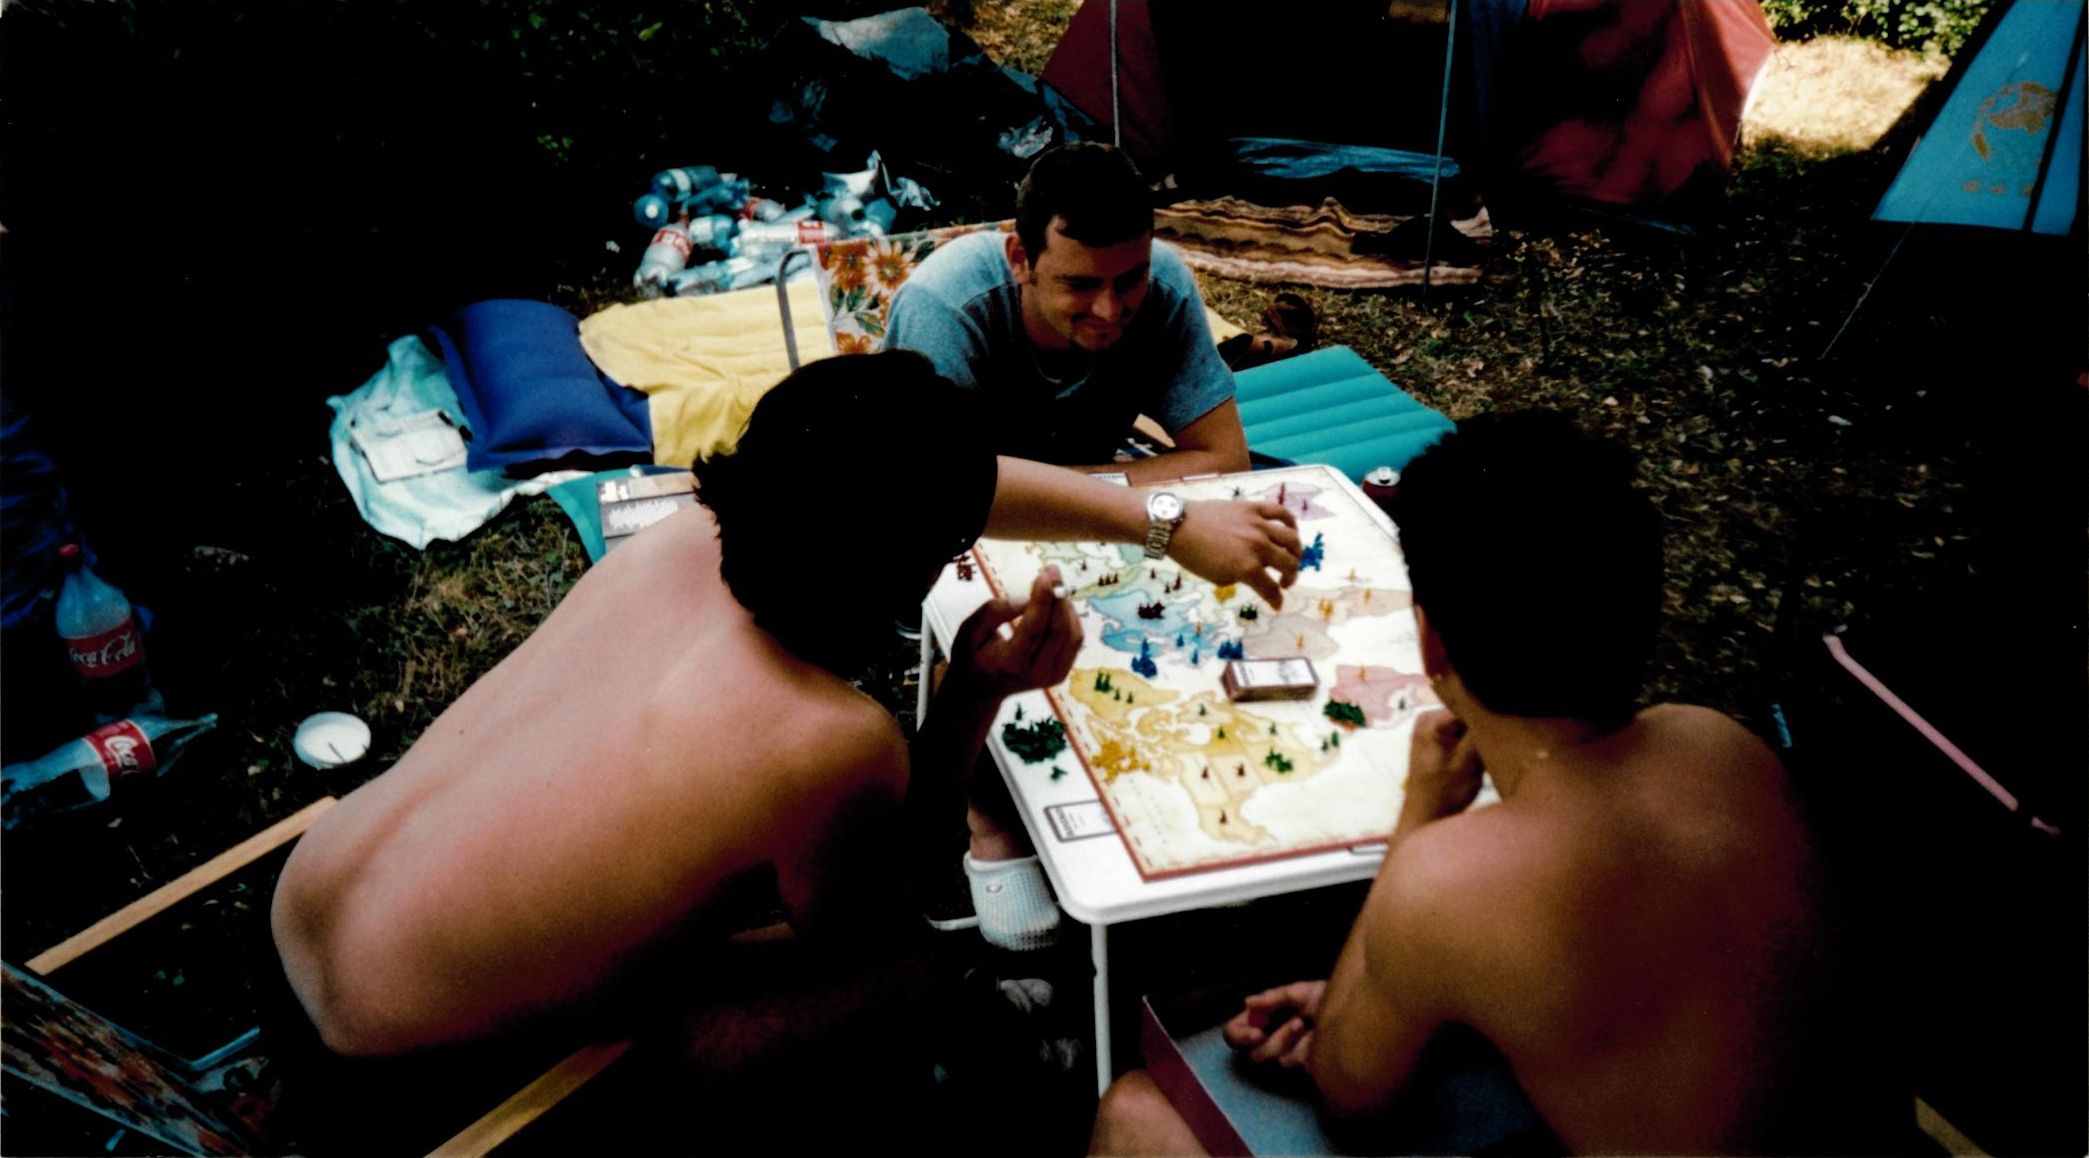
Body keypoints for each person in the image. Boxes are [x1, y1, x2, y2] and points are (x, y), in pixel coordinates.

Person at [263, 351, 1300, 1152]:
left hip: (297, 924)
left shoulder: (677, 542)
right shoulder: (824, 741)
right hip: (397, 1085)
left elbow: (939, 485)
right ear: (908, 565)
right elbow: (869, 931)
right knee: (915, 971)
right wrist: (973, 698)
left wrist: (1161, 524)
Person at [1089, 411, 1897, 1156]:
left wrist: (1415, 828)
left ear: (1430, 645)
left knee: (1134, 1112)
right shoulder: (1723, 747)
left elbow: (1348, 1095)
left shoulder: (1453, 881)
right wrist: (1368, 992)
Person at [884, 141, 1249, 483]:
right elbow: (933, 488)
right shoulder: (946, 306)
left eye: (1129, 281)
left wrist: (1077, 494)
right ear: (1020, 260)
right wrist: (1092, 494)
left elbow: (1226, 459)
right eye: (1080, 285)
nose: (1109, 311)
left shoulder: (1164, 284)